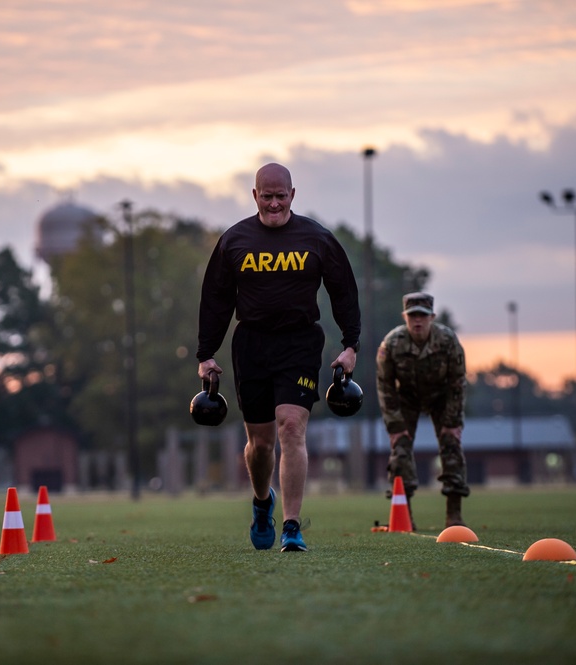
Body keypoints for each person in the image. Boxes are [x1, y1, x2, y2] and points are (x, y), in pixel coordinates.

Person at [196, 163, 361, 552]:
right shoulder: (234, 241)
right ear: (255, 196)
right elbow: (216, 301)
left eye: (280, 195)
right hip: (251, 344)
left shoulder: (317, 238)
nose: (273, 203)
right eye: (266, 196)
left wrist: (350, 344)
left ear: (292, 194)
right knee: (261, 445)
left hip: (300, 343)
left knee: (291, 427)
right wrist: (205, 354)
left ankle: (291, 526)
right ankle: (261, 502)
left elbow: (344, 292)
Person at [375, 292, 469, 529]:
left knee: (451, 445)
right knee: (400, 451)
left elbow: (457, 382)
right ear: (404, 317)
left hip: (442, 397)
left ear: (432, 317)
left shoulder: (448, 341)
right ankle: (403, 514)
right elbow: (385, 386)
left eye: (423, 316)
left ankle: (454, 514)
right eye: (413, 315)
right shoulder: (391, 344)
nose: (418, 321)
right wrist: (395, 426)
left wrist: (452, 421)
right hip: (407, 398)